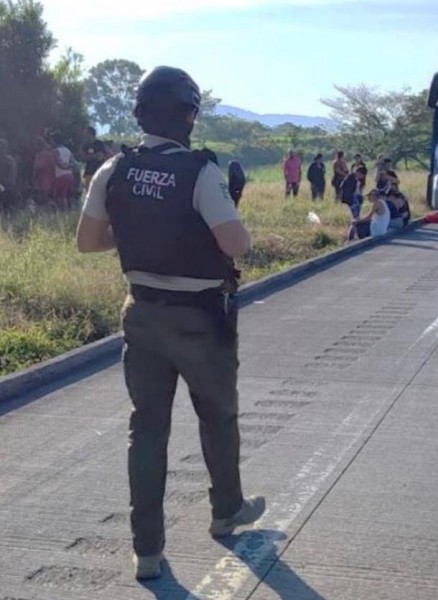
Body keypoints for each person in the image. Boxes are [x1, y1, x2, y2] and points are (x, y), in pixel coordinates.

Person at [75, 65, 265, 581]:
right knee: (217, 418)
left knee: (148, 430)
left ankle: (148, 551)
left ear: (140, 113)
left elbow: (89, 242)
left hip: (141, 316)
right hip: (201, 317)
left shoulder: (112, 169)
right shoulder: (201, 172)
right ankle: (226, 510)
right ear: (188, 114)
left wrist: (139, 231)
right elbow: (236, 244)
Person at [53, 137, 77, 210]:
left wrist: (64, 167)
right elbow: (73, 163)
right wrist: (68, 167)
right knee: (65, 195)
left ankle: (60, 211)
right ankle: (66, 211)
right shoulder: (68, 150)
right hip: (69, 175)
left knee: (57, 195)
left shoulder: (56, 151)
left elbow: (58, 163)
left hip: (60, 175)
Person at [32, 136, 56, 205]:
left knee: (44, 196)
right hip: (52, 177)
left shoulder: (41, 154)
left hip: (44, 178)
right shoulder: (51, 153)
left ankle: (47, 209)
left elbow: (38, 166)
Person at [0, 138, 18, 210]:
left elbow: (12, 174)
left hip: (7, 187)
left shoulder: (9, 160)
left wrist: (9, 185)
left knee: (7, 206)